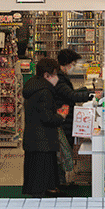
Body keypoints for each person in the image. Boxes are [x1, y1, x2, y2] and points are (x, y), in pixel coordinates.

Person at [53, 49, 103, 187]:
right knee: (63, 152)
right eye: (73, 64)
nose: (74, 67)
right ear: (67, 64)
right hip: (63, 119)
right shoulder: (59, 79)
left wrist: (87, 91)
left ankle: (62, 180)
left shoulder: (60, 77)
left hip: (64, 116)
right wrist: (91, 95)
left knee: (63, 150)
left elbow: (71, 93)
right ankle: (60, 182)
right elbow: (71, 96)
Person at [21, 58, 68, 197]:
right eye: (55, 74)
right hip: (43, 139)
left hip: (32, 137)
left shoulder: (32, 87)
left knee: (36, 169)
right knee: (44, 167)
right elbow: (47, 118)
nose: (57, 78)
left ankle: (49, 189)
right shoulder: (45, 92)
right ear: (47, 75)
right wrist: (61, 116)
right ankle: (48, 192)